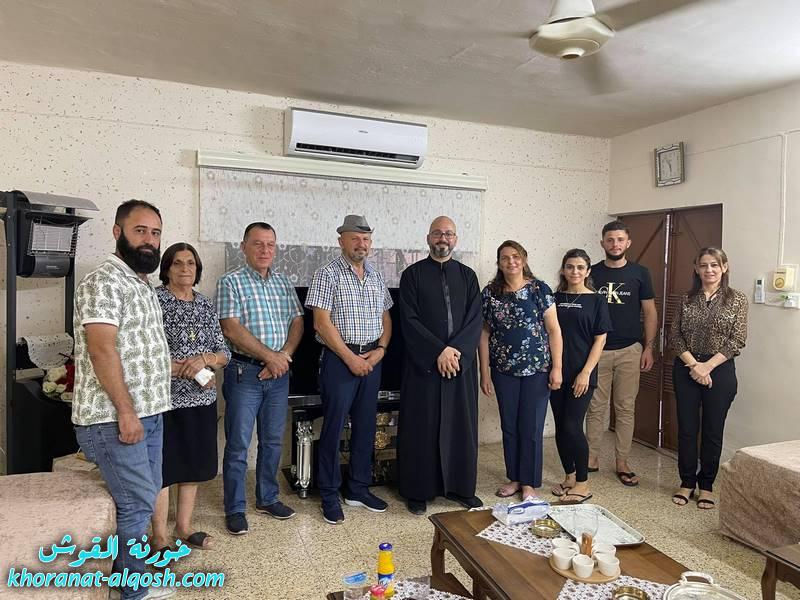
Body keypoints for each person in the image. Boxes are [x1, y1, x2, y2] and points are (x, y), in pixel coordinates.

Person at [72, 199, 175, 600]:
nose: (149, 240)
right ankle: (133, 590)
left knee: (143, 498)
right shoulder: (104, 280)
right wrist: (126, 412)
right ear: (118, 233)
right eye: (140, 231)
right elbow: (102, 350)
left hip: (150, 413)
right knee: (135, 503)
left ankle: (127, 578)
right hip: (115, 417)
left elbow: (139, 348)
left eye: (155, 232)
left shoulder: (140, 282)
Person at [216, 222, 304, 535]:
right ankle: (235, 507)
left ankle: (267, 498)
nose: (265, 250)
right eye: (257, 244)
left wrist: (284, 357)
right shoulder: (230, 282)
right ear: (244, 247)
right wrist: (270, 357)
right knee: (238, 444)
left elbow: (297, 322)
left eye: (270, 244)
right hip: (245, 373)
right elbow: (230, 328)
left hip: (279, 374)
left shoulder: (283, 282)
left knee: (272, 441)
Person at [306, 215, 393, 525]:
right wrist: (350, 357)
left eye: (366, 238)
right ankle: (329, 494)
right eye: (355, 237)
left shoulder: (376, 276)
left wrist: (380, 351)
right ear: (341, 240)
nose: (361, 243)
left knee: (366, 427)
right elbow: (321, 323)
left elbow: (386, 318)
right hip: (339, 361)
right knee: (333, 428)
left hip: (371, 359)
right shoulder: (326, 274)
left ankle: (358, 489)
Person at [397, 216, 483, 515]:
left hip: (460, 366)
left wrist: (455, 352)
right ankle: (418, 490)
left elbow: (475, 319)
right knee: (421, 428)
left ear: (455, 239)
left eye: (448, 234)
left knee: (461, 427)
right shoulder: (412, 275)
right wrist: (439, 351)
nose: (442, 238)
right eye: (437, 233)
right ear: (428, 238)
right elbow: (408, 320)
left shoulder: (468, 276)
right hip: (424, 366)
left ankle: (460, 488)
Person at [150, 243, 231, 553]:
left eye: (191, 264)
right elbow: (146, 350)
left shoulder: (205, 305)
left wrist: (205, 360)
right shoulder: (154, 300)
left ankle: (183, 527)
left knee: (193, 465)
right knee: (164, 468)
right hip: (164, 400)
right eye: (178, 263)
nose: (185, 269)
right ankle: (159, 536)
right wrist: (183, 368)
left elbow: (224, 353)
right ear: (167, 268)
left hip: (200, 400)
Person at [479, 241, 563, 501]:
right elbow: (484, 334)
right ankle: (514, 478)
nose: (511, 262)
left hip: (537, 369)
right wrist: (484, 373)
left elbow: (554, 330)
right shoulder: (490, 293)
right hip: (503, 370)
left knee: (531, 426)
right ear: (499, 262)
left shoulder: (539, 290)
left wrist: (557, 368)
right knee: (510, 426)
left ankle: (529, 483)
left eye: (515, 256)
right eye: (505, 258)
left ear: (524, 259)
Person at [668, 247, 747, 509]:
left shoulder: (737, 299)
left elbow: (737, 340)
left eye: (714, 265)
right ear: (696, 268)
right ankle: (687, 481)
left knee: (713, 430)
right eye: (703, 265)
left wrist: (707, 367)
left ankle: (707, 485)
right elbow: (675, 336)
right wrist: (694, 365)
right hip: (686, 367)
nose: (709, 270)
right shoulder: (686, 298)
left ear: (724, 267)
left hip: (720, 369)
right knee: (687, 429)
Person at [585, 220, 658, 486]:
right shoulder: (591, 273)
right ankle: (591, 458)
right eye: (610, 239)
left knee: (625, 408)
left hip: (630, 351)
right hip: (598, 351)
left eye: (620, 240)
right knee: (595, 407)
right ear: (602, 242)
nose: (615, 244)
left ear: (628, 243)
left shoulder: (640, 273)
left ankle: (622, 462)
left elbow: (649, 311)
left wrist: (648, 347)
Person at [549, 249, 612, 503]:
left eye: (580, 267)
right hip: (555, 372)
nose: (574, 271)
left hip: (582, 374)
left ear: (587, 272)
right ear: (563, 270)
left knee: (572, 426)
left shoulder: (596, 301)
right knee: (560, 427)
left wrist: (585, 373)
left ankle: (583, 484)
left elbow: (600, 340)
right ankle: (569, 477)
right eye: (570, 267)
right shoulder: (554, 298)